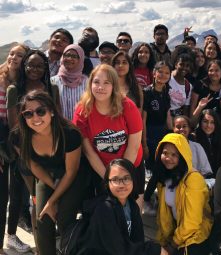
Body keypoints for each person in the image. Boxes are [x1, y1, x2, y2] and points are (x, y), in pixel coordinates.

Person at [13, 90, 86, 255]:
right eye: (28, 114)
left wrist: (52, 201)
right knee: (43, 218)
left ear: (51, 111)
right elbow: (35, 167)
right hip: (46, 176)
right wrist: (53, 189)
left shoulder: (69, 133)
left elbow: (71, 171)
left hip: (74, 176)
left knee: (65, 218)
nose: (35, 118)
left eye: (40, 111)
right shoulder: (18, 137)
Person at [6, 49, 59, 254]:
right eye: (30, 65)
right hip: (26, 154)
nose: (34, 69)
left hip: (52, 152)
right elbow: (14, 128)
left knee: (52, 197)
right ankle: (42, 246)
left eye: (39, 66)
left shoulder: (52, 88)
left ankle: (49, 240)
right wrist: (26, 154)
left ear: (45, 67)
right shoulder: (14, 90)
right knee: (37, 199)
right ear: (24, 66)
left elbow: (59, 119)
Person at [73, 64, 145, 204]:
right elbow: (89, 152)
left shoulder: (127, 106)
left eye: (107, 83)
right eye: (97, 82)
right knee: (109, 209)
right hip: (102, 168)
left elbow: (134, 145)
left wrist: (122, 177)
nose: (101, 87)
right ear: (90, 84)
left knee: (134, 208)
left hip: (131, 164)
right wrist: (110, 178)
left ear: (114, 86)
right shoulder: (82, 110)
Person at [80, 158, 167, 255]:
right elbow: (118, 250)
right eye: (115, 180)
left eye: (126, 178)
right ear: (107, 183)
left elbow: (137, 239)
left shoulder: (132, 205)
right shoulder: (103, 209)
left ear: (133, 180)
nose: (121, 185)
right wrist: (154, 250)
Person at [156, 133, 213, 255]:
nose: (168, 158)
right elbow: (164, 215)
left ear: (182, 156)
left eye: (174, 155)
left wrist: (172, 244)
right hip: (176, 233)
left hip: (195, 234)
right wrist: (164, 241)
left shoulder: (193, 179)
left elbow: (192, 222)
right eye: (165, 153)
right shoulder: (163, 178)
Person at [0, 43, 29, 254]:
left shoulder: (24, 84)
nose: (14, 58)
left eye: (20, 55)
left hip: (18, 139)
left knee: (18, 191)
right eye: (12, 53)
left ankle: (11, 236)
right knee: (2, 194)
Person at [142, 61, 172, 215]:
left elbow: (167, 114)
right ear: (154, 73)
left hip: (163, 133)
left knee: (162, 168)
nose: (163, 75)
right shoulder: (147, 92)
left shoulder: (166, 92)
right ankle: (146, 200)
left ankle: (160, 199)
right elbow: (143, 119)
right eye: (160, 72)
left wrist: (173, 134)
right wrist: (144, 142)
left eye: (167, 73)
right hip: (150, 134)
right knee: (155, 169)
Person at [51, 44, 88, 120]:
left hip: (81, 128)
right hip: (60, 129)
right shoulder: (53, 81)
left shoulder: (87, 82)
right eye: (66, 55)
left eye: (74, 56)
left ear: (80, 60)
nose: (69, 58)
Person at [190, 59, 221, 125]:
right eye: (211, 70)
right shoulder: (199, 85)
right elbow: (192, 107)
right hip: (201, 121)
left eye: (217, 70)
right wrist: (200, 107)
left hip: (219, 122)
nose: (213, 73)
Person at [195, 109, 221, 177]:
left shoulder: (220, 137)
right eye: (205, 121)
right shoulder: (194, 139)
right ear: (200, 122)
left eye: (212, 122)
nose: (208, 125)